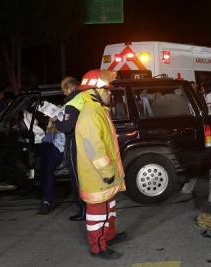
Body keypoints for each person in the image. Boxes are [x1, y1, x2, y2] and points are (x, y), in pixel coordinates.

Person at [76, 69, 127, 259]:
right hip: (98, 175)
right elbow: (93, 150)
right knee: (98, 213)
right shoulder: (91, 114)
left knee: (109, 207)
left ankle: (109, 236)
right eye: (107, 90)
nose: (110, 93)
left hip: (106, 174)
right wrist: (107, 172)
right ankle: (98, 248)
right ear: (96, 90)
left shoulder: (98, 110)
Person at [55, 77, 86, 221]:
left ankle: (83, 210)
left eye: (64, 90)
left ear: (70, 88)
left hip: (74, 142)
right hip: (85, 141)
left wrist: (57, 123)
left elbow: (67, 127)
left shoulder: (72, 104)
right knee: (84, 176)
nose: (63, 94)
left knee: (75, 177)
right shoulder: (85, 97)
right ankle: (89, 208)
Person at [38, 120, 65, 215]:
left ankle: (46, 201)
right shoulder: (52, 128)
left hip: (58, 150)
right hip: (49, 148)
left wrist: (53, 128)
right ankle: (46, 200)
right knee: (44, 148)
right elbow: (47, 139)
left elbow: (64, 138)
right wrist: (50, 123)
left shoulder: (66, 124)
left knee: (47, 166)